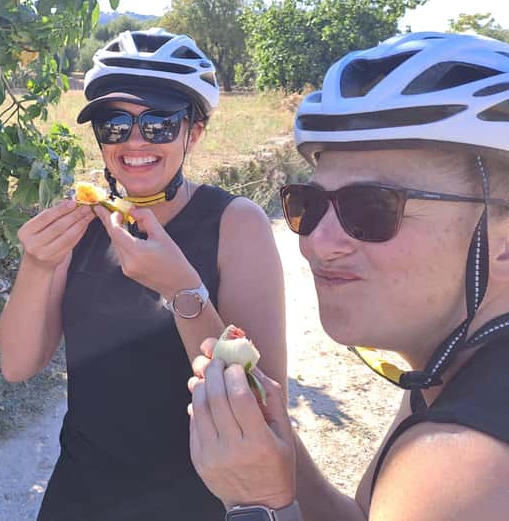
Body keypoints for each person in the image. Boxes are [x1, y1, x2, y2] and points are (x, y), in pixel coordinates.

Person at [188, 31, 509, 521]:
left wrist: (255, 506)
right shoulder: (454, 370)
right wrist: (279, 453)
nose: (317, 242)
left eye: (372, 208)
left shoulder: (460, 463)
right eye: (309, 205)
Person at [0, 28, 287, 520]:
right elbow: (18, 366)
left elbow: (263, 403)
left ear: (194, 132)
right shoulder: (81, 223)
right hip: (81, 495)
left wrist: (182, 289)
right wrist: (38, 264)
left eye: (159, 125)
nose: (134, 142)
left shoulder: (236, 225)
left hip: (196, 499)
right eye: (114, 124)